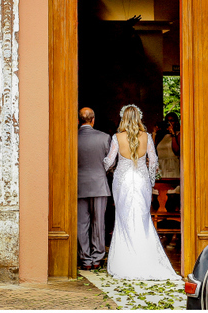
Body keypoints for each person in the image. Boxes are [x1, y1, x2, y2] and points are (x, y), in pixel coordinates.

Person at [103, 104, 179, 280]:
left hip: (123, 182)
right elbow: (153, 161)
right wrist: (150, 181)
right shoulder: (146, 137)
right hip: (141, 181)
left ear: (123, 118)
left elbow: (109, 161)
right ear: (139, 118)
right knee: (143, 219)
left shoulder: (116, 137)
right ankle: (146, 258)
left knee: (123, 219)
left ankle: (125, 262)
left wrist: (108, 167)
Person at [77, 107, 111, 271]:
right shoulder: (104, 138)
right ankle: (97, 258)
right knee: (99, 223)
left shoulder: (73, 137)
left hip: (79, 186)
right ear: (93, 120)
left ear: (78, 121)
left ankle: (85, 259)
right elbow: (111, 164)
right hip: (99, 185)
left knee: (82, 223)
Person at [156, 113, 181, 181]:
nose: (169, 123)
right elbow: (154, 151)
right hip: (161, 166)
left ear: (176, 122)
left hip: (172, 166)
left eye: (172, 120)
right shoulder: (162, 136)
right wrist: (155, 133)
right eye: (167, 121)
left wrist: (173, 134)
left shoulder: (179, 134)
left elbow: (177, 151)